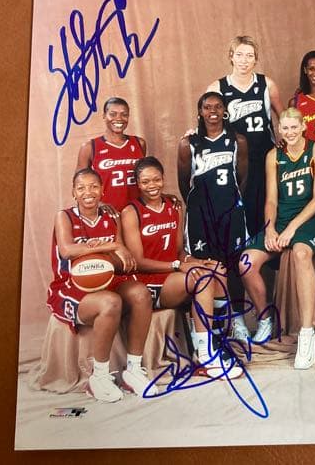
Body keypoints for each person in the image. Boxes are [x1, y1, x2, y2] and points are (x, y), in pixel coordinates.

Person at [121, 156, 239, 378]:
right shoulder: (131, 212)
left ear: (163, 178)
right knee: (202, 280)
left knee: (218, 271)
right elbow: (138, 261)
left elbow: (179, 251)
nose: (152, 185)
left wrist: (194, 261)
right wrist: (178, 266)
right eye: (145, 181)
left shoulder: (173, 206)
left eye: (156, 179)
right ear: (137, 183)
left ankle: (218, 341)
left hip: (172, 273)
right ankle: (204, 355)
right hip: (148, 280)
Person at [47, 168, 156, 402]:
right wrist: (110, 246)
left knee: (141, 293)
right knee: (111, 302)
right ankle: (99, 377)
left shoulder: (111, 216)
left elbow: (122, 259)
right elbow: (67, 250)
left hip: (107, 279)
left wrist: (115, 254)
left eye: (94, 186)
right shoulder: (64, 216)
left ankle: (133, 370)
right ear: (73, 192)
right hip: (72, 285)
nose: (88, 192)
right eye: (81, 188)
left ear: (102, 190)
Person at [239, 108, 315, 369]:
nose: (290, 132)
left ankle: (306, 333)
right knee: (246, 262)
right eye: (285, 128)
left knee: (301, 254)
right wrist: (270, 229)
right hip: (281, 219)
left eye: (294, 127)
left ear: (303, 127)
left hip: (309, 217)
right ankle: (265, 319)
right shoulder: (274, 156)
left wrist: (291, 229)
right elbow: (271, 200)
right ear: (279, 130)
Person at [177, 92, 253, 343]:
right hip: (200, 215)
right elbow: (184, 182)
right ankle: (209, 330)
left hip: (230, 212)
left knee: (233, 265)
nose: (213, 112)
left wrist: (228, 200)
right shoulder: (188, 143)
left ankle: (237, 320)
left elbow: (242, 177)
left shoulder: (237, 141)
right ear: (200, 112)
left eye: (218, 107)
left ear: (225, 110)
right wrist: (200, 204)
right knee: (205, 266)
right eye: (207, 107)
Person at [206, 35, 284, 238]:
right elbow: (207, 122)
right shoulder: (217, 87)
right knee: (236, 207)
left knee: (264, 203)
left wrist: (285, 138)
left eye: (249, 56)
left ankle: (264, 250)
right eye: (240, 55)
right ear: (231, 56)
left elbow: (283, 116)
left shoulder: (266, 84)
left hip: (263, 154)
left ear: (256, 59)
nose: (244, 60)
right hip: (233, 158)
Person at [76, 97, 146, 211]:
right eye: (113, 114)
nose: (119, 118)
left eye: (124, 114)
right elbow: (78, 185)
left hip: (136, 211)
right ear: (104, 116)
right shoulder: (90, 147)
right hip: (107, 213)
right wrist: (99, 204)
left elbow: (146, 178)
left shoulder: (139, 143)